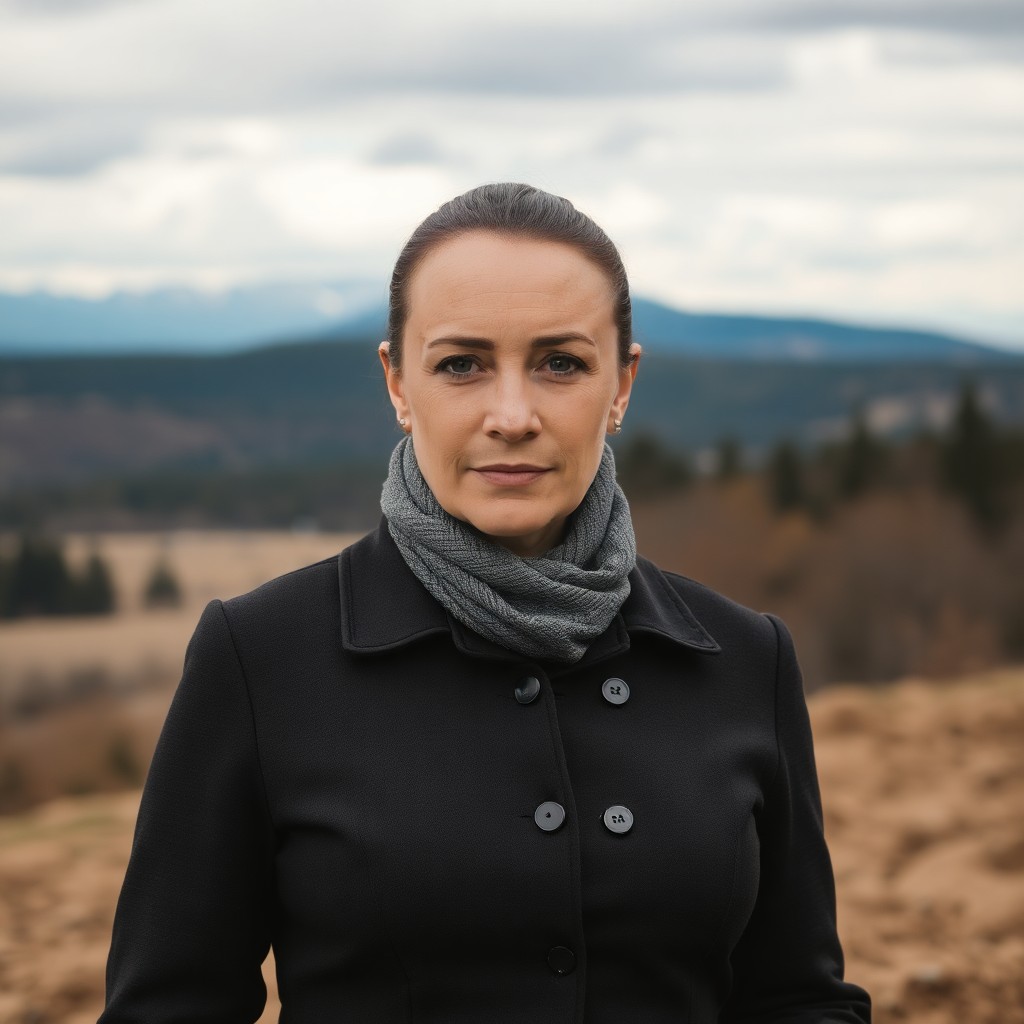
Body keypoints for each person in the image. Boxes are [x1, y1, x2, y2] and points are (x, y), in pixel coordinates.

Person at [99, 183, 871, 1023]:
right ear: (398, 383)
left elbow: (799, 998)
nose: (512, 416)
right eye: (461, 364)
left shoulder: (745, 658)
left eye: (560, 363)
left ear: (622, 385)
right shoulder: (259, 657)